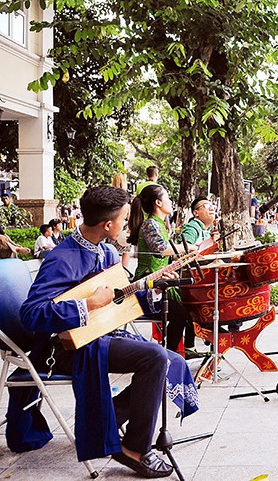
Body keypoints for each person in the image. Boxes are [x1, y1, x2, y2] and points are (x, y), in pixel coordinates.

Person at [17, 186, 198, 478]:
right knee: (153, 357)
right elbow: (31, 314)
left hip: (100, 335)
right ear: (107, 224)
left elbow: (119, 298)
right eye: (125, 219)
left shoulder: (107, 251)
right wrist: (87, 303)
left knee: (169, 359)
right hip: (65, 347)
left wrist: (154, 284)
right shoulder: (62, 258)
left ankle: (108, 419)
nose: (127, 224)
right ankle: (134, 449)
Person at [127, 185, 198, 356]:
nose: (171, 202)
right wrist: (188, 248)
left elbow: (167, 255)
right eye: (167, 198)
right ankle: (168, 356)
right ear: (158, 202)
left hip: (163, 280)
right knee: (180, 314)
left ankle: (183, 349)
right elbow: (161, 249)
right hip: (149, 284)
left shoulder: (159, 224)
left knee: (189, 309)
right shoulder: (151, 224)